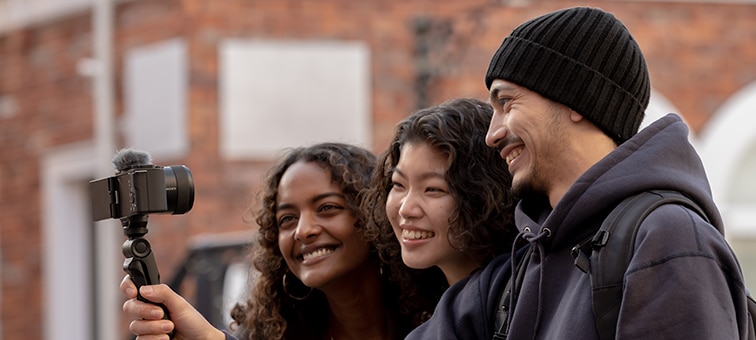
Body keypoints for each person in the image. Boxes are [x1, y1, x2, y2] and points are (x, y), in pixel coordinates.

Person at [480, 6, 750, 340]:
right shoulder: (530, 253)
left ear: (574, 99)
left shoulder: (667, 238)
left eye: (506, 102)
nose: (492, 134)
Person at [120, 142, 435, 340]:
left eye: (327, 208)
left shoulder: (443, 319)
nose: (303, 230)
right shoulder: (277, 333)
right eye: (287, 219)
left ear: (374, 215)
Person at [363, 98, 518, 338]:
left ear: (485, 195)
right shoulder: (417, 310)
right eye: (398, 185)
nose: (406, 208)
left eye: (433, 189)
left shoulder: (525, 298)